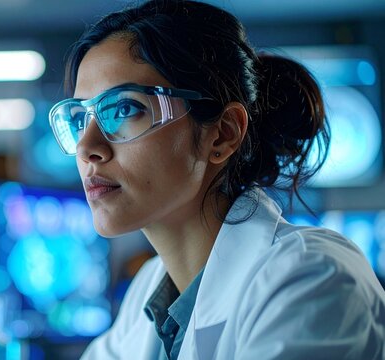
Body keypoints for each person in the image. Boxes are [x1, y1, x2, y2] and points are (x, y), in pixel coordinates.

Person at [47, 0, 385, 359]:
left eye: (126, 108)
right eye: (80, 119)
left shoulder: (313, 278)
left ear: (222, 135)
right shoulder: (151, 290)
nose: (87, 147)